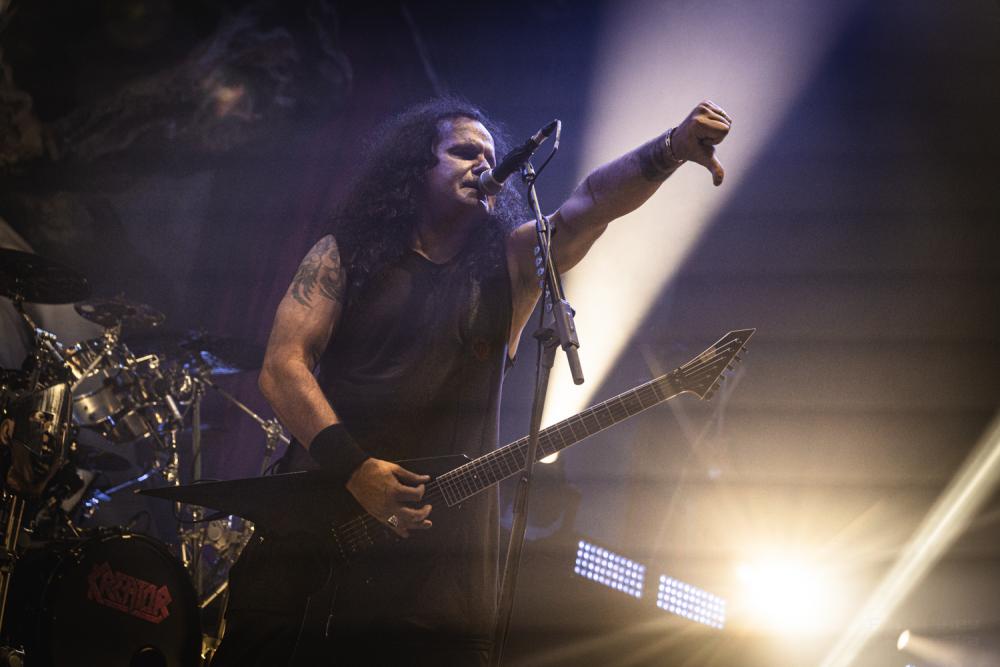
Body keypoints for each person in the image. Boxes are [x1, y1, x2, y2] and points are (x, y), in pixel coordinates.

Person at [211, 96, 731, 666]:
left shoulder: (512, 264)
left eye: (489, 154)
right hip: (315, 538)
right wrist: (355, 469)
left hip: (438, 576)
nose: (484, 164)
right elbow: (282, 367)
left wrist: (671, 148)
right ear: (416, 167)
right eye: (463, 152)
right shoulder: (345, 253)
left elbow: (590, 203)